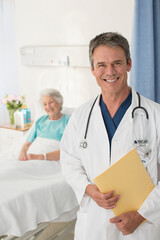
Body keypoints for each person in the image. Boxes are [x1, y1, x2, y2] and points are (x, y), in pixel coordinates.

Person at [60, 32, 160, 240]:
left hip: (142, 227)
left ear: (129, 64)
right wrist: (88, 188)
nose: (110, 72)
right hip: (93, 225)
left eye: (117, 63)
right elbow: (69, 161)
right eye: (102, 65)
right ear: (93, 69)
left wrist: (142, 214)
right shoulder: (80, 116)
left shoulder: (155, 115)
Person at [19, 88, 70, 161]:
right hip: (30, 158)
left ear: (60, 102)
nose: (48, 107)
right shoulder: (40, 121)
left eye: (51, 102)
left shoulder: (68, 122)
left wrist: (39, 157)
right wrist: (22, 153)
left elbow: (68, 151)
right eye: (45, 104)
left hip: (49, 160)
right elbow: (27, 144)